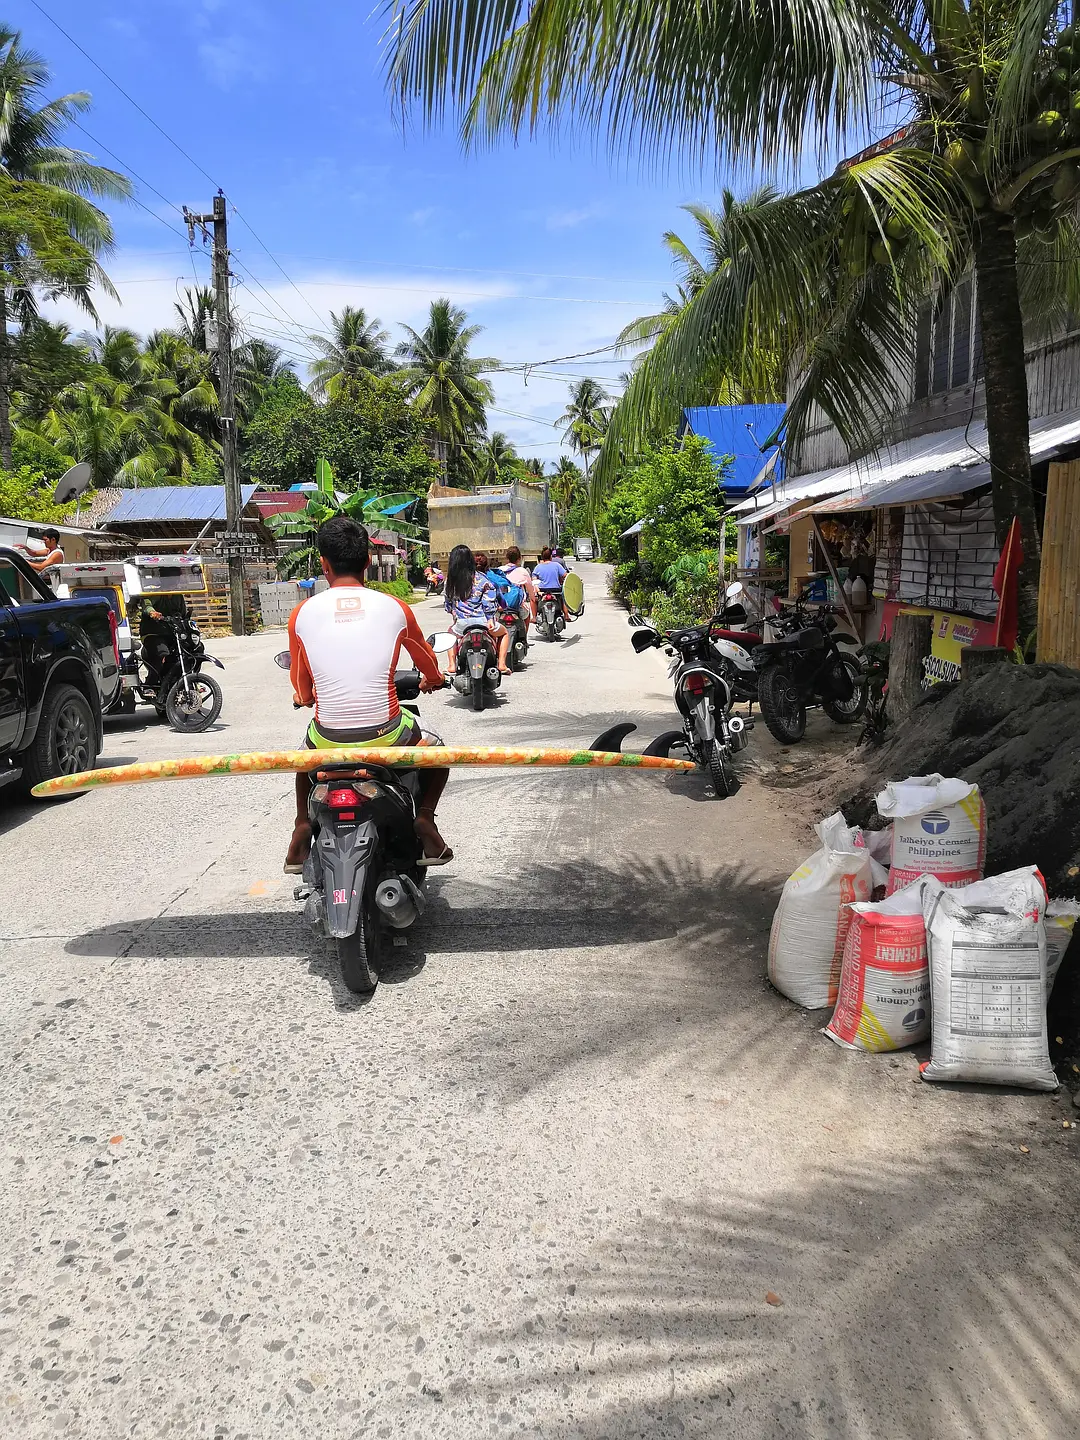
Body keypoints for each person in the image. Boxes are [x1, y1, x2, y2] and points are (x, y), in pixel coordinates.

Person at [285, 516, 451, 874]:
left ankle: (301, 825)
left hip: (328, 740)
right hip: (388, 738)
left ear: (323, 564)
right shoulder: (396, 608)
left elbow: (301, 686)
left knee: (303, 760)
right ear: (368, 562)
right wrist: (433, 680)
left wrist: (305, 697)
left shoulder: (300, 614)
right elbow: (428, 661)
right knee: (439, 750)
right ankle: (424, 819)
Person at [443, 544, 511, 674]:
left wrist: (455, 614)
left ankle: (452, 665)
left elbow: (448, 604)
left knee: (450, 634)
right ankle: (502, 664)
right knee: (504, 633)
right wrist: (490, 618)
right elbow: (488, 600)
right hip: (484, 622)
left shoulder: (450, 582)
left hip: (462, 625)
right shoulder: (481, 578)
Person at [500, 545, 537, 632]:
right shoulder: (523, 571)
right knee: (527, 616)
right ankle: (524, 639)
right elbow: (530, 589)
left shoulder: (499, 570)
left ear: (507, 557)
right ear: (519, 558)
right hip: (517, 607)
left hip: (501, 607)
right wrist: (533, 598)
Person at [532, 546, 571, 623]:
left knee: (532, 599)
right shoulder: (557, 565)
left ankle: (534, 617)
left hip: (542, 590)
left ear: (542, 557)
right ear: (551, 556)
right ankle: (566, 615)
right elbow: (565, 575)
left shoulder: (538, 567)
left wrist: (537, 590)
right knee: (564, 598)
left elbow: (534, 580)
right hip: (556, 590)